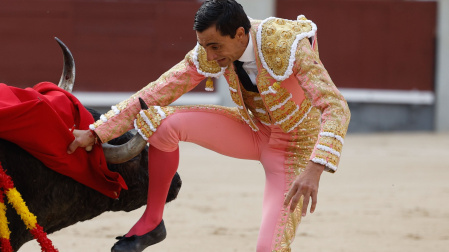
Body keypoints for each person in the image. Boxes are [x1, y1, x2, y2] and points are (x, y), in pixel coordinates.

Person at [67, 0, 350, 251]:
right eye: (204, 46)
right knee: (162, 123)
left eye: (215, 47)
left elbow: (336, 107)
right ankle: (152, 221)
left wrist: (315, 168)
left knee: (269, 249)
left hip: (295, 152)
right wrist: (97, 132)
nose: (210, 56)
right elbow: (158, 91)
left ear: (241, 34)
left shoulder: (286, 43)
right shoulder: (211, 48)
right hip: (253, 131)